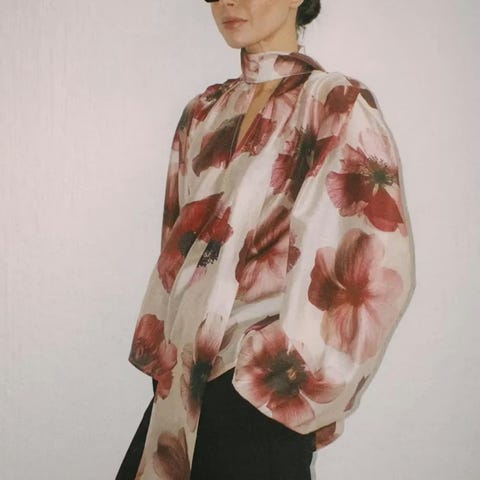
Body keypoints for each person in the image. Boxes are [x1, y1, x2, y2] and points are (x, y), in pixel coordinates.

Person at [116, 0, 415, 479]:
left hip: (256, 398)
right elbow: (176, 249)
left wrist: (278, 383)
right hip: (179, 388)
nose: (227, 2)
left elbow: (377, 265)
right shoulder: (203, 112)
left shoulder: (335, 105)